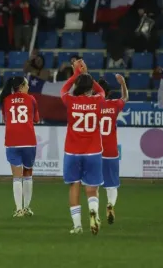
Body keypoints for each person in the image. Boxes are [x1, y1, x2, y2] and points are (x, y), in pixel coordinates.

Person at [60, 60, 105, 235]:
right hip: (93, 151)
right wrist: (88, 75)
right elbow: (101, 90)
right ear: (90, 87)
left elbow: (63, 89)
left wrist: (76, 74)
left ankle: (77, 226)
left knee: (74, 186)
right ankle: (93, 211)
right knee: (92, 188)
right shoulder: (97, 100)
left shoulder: (70, 100)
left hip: (72, 151)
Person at [0, 76, 39, 217]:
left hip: (12, 141)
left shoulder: (5, 100)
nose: (28, 87)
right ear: (21, 86)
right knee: (28, 174)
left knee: (17, 177)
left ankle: (19, 209)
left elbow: (6, 119)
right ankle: (27, 208)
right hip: (28, 140)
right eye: (27, 84)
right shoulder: (31, 99)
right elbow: (36, 119)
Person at [98, 74, 128, 225]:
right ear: (108, 92)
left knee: (93, 183)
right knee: (112, 184)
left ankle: (94, 212)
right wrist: (123, 83)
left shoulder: (92, 106)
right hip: (111, 151)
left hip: (95, 151)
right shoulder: (114, 105)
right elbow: (125, 97)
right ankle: (110, 205)